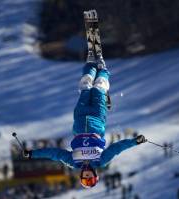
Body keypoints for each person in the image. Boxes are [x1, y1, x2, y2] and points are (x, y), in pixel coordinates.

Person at [23, 39, 146, 189]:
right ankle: (102, 69)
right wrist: (135, 141)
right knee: (99, 87)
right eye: (90, 176)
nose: (86, 174)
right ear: (95, 174)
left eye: (84, 176)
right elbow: (116, 148)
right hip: (97, 117)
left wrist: (33, 154)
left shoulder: (73, 162)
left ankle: (91, 64)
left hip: (80, 117)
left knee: (85, 86)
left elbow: (55, 154)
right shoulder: (101, 160)